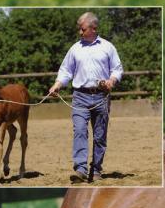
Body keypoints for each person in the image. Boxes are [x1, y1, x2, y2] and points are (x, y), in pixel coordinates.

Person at [49, 12, 123, 182]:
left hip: (101, 97)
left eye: (82, 29)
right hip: (80, 96)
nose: (80, 32)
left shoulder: (108, 47)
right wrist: (58, 84)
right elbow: (66, 70)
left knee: (99, 136)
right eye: (79, 29)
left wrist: (112, 80)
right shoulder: (75, 48)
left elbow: (117, 69)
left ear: (93, 28)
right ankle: (80, 169)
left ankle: (96, 170)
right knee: (80, 131)